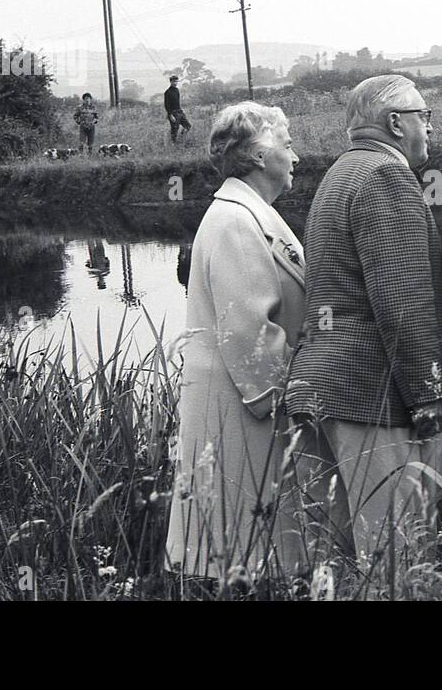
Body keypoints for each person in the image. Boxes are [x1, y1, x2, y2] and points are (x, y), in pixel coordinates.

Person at [285, 74, 442, 562]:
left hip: (319, 387)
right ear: (396, 123)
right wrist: (432, 395)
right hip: (369, 397)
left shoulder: (339, 174)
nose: (430, 128)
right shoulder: (386, 177)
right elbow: (403, 304)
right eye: (425, 117)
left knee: (331, 560)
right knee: (396, 561)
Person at [165, 102, 307, 586]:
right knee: (238, 526)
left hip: (239, 400)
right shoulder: (235, 221)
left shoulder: (244, 213)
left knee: (241, 525)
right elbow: (246, 328)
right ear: (262, 157)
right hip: (244, 403)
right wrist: (288, 394)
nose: (296, 158)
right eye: (288, 146)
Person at [165, 74, 192, 144]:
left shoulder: (177, 90)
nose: (175, 83)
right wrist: (170, 115)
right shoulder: (167, 92)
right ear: (170, 82)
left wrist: (181, 109)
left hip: (180, 112)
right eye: (174, 81)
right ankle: (173, 144)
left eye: (176, 81)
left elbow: (177, 102)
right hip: (173, 114)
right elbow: (167, 105)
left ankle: (180, 138)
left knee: (188, 126)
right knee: (174, 130)